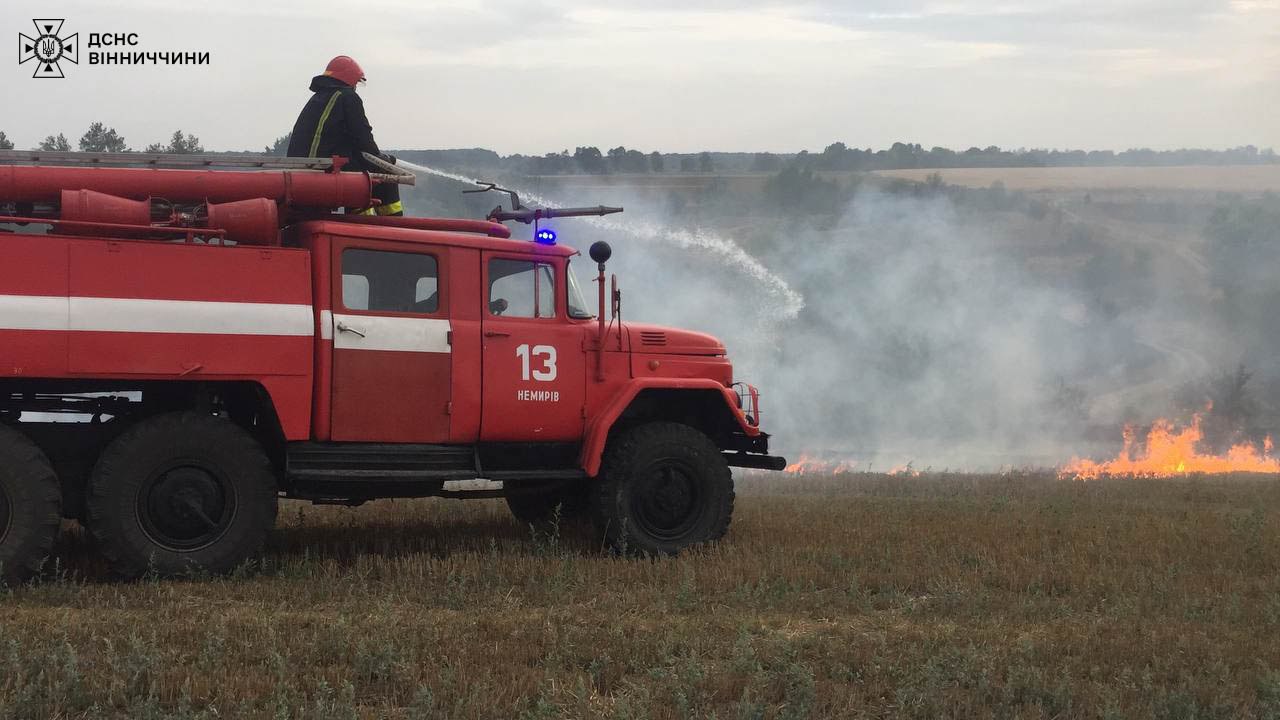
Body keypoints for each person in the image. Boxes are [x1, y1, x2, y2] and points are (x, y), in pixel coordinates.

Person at [287, 56, 403, 216]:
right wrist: (382, 159)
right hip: (327, 166)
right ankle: (392, 225)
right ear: (348, 78)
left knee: (365, 168)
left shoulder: (318, 98)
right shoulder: (347, 97)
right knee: (386, 173)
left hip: (305, 167)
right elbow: (363, 138)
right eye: (356, 82)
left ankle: (361, 218)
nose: (356, 86)